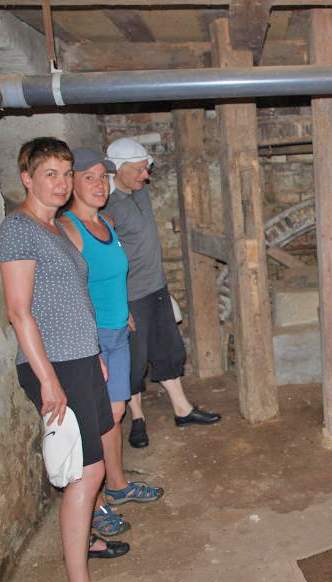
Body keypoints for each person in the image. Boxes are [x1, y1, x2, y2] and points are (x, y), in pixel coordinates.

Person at [0, 137, 129, 582]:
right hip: (54, 366)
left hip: (79, 359)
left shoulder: (56, 230)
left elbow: (74, 304)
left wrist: (94, 355)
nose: (60, 183)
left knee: (85, 468)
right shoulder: (19, 229)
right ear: (27, 178)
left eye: (65, 173)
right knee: (86, 473)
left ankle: (86, 542)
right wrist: (50, 381)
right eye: (49, 174)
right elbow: (18, 311)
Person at [60, 148, 164, 535]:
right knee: (96, 419)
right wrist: (90, 345)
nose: (100, 184)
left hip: (117, 331)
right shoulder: (69, 229)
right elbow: (69, 292)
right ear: (72, 182)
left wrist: (125, 312)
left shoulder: (105, 222)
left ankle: (117, 486)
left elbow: (110, 278)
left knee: (116, 413)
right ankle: (98, 501)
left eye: (104, 177)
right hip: (93, 338)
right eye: (90, 177)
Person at [101, 137, 220, 448]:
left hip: (156, 288)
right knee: (134, 362)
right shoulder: (108, 207)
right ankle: (137, 418)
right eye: (139, 170)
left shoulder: (141, 194)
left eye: (146, 169)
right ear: (118, 170)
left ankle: (183, 409)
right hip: (130, 296)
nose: (146, 176)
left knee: (168, 351)